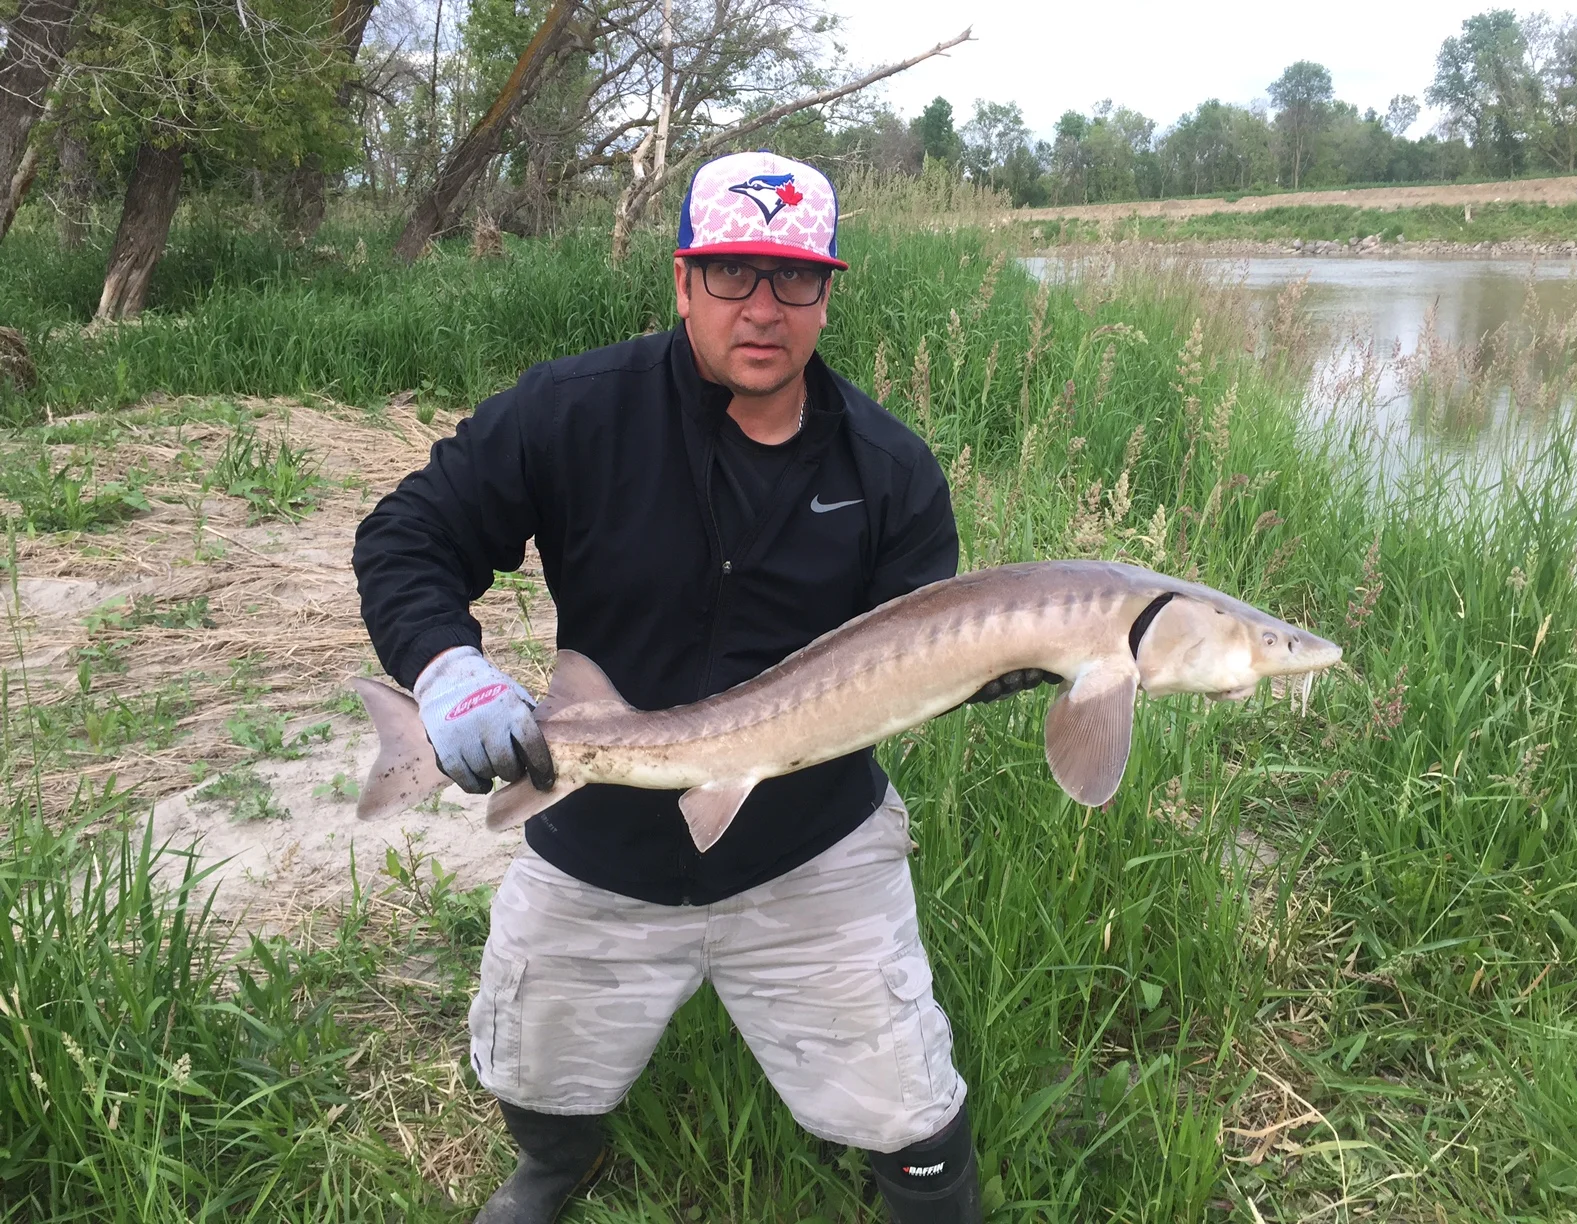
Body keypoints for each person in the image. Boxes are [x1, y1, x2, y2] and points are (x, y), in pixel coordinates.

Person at [354, 150, 1053, 1224]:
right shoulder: (574, 412)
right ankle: (557, 1162)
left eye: (795, 279)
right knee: (529, 1074)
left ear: (829, 291)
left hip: (812, 847)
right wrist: (446, 667)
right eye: (732, 274)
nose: (763, 309)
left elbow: (937, 665)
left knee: (910, 1117)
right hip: (598, 830)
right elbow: (408, 534)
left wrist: (1066, 659)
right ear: (682, 281)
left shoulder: (889, 468)